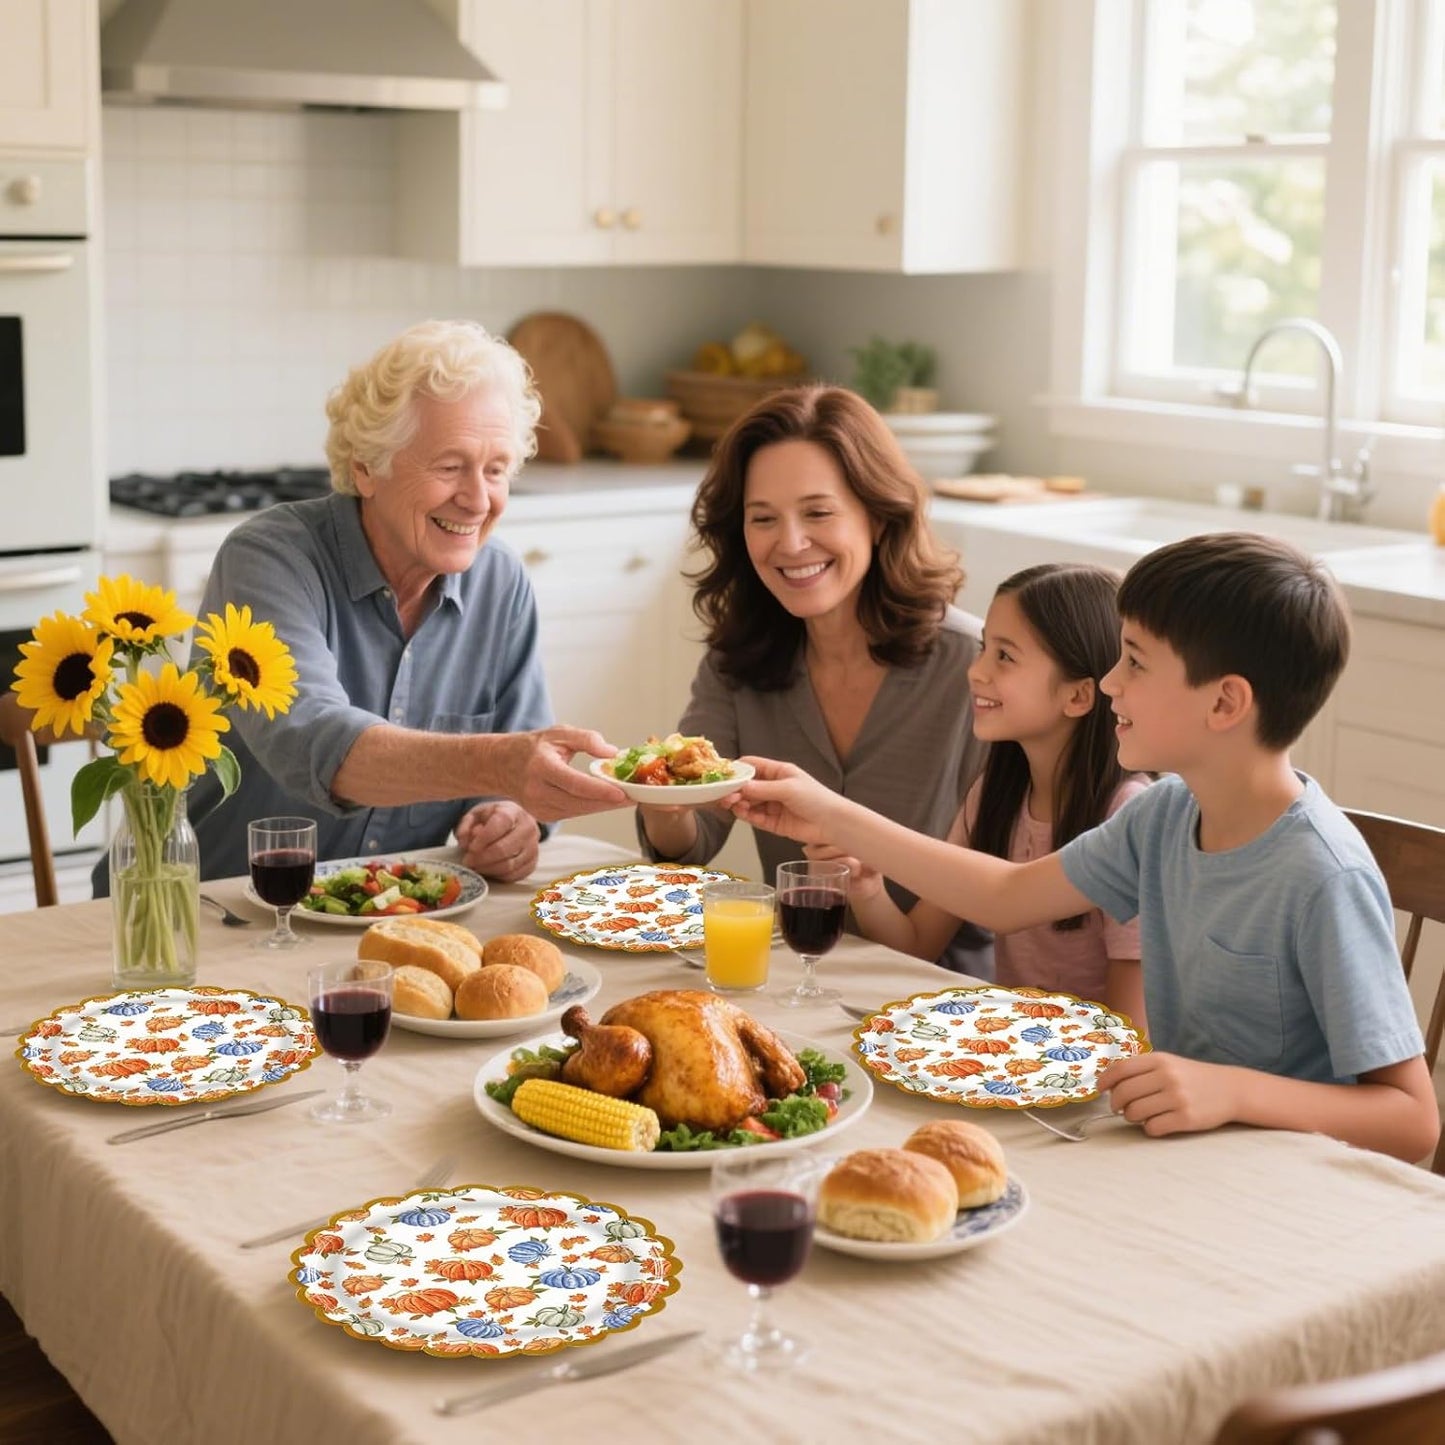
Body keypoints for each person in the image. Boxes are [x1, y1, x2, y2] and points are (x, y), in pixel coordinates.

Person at [729, 532, 1439, 1163]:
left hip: (1291, 1190)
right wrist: (826, 811)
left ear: (1223, 703)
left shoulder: (1321, 872)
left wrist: (1231, 1091)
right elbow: (1004, 896)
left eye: (1133, 662)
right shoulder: (1162, 816)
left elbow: (1411, 1122)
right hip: (1188, 1161)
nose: (1108, 683)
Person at [165, 319, 625, 884]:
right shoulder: (268, 559)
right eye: (450, 466)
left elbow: (515, 786)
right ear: (366, 467)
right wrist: (500, 763)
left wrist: (508, 819)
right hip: (216, 910)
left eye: (497, 469)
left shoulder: (500, 582)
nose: (478, 499)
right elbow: (315, 743)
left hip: (395, 910)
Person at [635, 384, 991, 973]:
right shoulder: (736, 662)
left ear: (878, 517)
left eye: (819, 512)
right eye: (763, 519)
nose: (791, 543)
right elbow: (690, 847)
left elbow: (952, 924)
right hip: (798, 979)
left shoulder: (974, 669)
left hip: (946, 1011)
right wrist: (662, 797)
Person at [819, 563, 1150, 1023]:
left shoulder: (1129, 816)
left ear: (1077, 696)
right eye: (983, 649)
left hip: (1084, 1074)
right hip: (1009, 1052)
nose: (976, 671)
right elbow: (917, 945)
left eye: (1005, 657)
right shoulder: (995, 795)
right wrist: (868, 888)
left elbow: (1130, 1032)